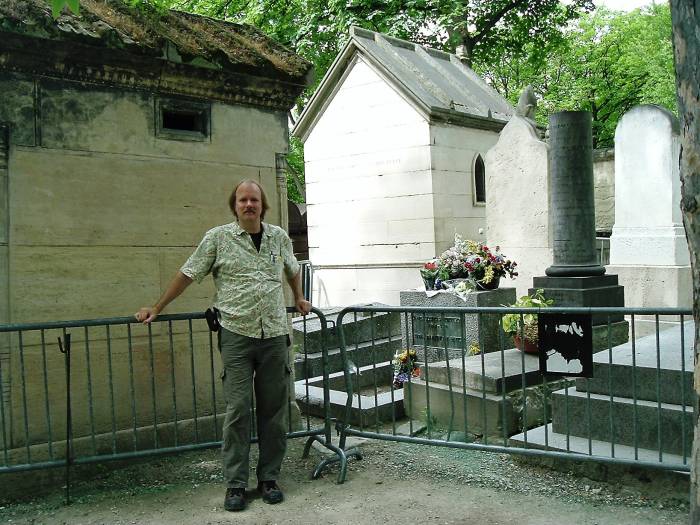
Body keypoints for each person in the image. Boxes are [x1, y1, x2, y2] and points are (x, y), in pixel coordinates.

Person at [135, 179, 311, 512]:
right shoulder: (218, 238)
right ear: (235, 206)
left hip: (274, 335)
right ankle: (236, 484)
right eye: (243, 200)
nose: (249, 205)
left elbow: (292, 268)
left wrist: (299, 297)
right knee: (238, 409)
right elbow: (188, 273)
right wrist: (157, 308)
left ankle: (269, 478)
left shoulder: (278, 237)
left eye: (254, 200)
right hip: (236, 335)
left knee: (274, 411)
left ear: (263, 206)